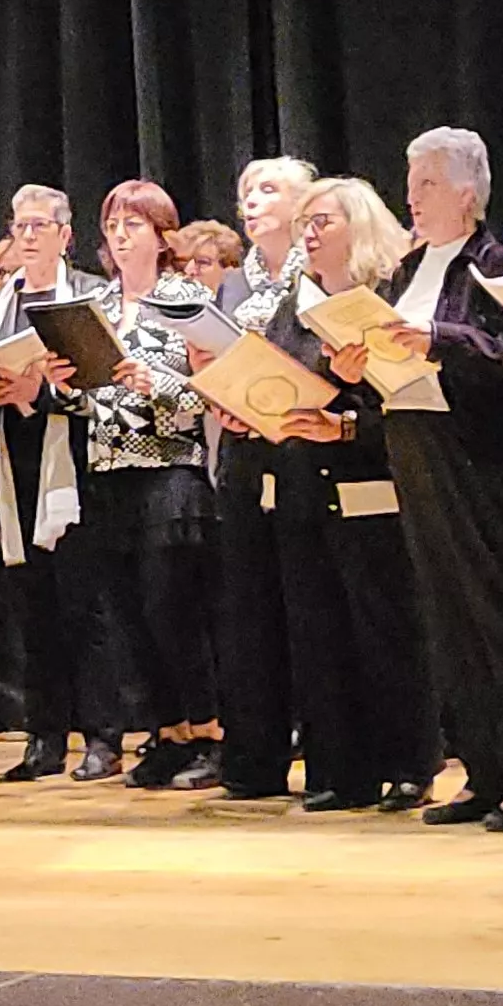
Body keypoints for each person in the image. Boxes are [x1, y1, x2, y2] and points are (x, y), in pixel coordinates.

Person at [376, 130, 503, 832]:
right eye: (409, 182)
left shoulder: (497, 263)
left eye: (425, 184)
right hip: (415, 444)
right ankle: (483, 772)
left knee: (501, 615)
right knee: (449, 617)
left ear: (466, 193)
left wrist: (439, 342)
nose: (411, 198)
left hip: (481, 457)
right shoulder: (405, 270)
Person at [267, 177, 434, 812]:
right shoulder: (297, 303)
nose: (307, 234)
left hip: (371, 481)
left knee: (386, 627)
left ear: (358, 226)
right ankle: (338, 770)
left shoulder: (386, 297)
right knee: (318, 630)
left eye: (322, 222)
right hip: (303, 481)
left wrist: (347, 418)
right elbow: (281, 374)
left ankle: (409, 763)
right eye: (304, 223)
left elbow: (408, 397)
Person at [68, 182, 220, 794]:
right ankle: (169, 732)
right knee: (128, 616)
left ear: (162, 235)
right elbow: (86, 397)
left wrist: (156, 385)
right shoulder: (97, 302)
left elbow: (214, 390)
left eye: (134, 223)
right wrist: (66, 382)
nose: (121, 234)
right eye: (112, 224)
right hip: (109, 472)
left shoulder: (185, 298)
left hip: (170, 469)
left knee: (173, 611)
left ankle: (209, 734)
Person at [0, 185, 112, 781]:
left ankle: (104, 736)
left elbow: (105, 380)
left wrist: (45, 390)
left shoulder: (89, 293)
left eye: (40, 225)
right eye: (20, 225)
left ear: (65, 234)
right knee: (32, 605)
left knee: (85, 602)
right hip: (16, 458)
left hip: (77, 461)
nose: (28, 235)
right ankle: (44, 737)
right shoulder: (1, 299)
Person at [201, 156, 317, 800]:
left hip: (303, 451)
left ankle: (328, 750)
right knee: (246, 611)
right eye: (245, 191)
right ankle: (254, 759)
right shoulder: (232, 287)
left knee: (306, 604)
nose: (251, 202)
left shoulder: (317, 277)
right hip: (243, 455)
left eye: (267, 190)